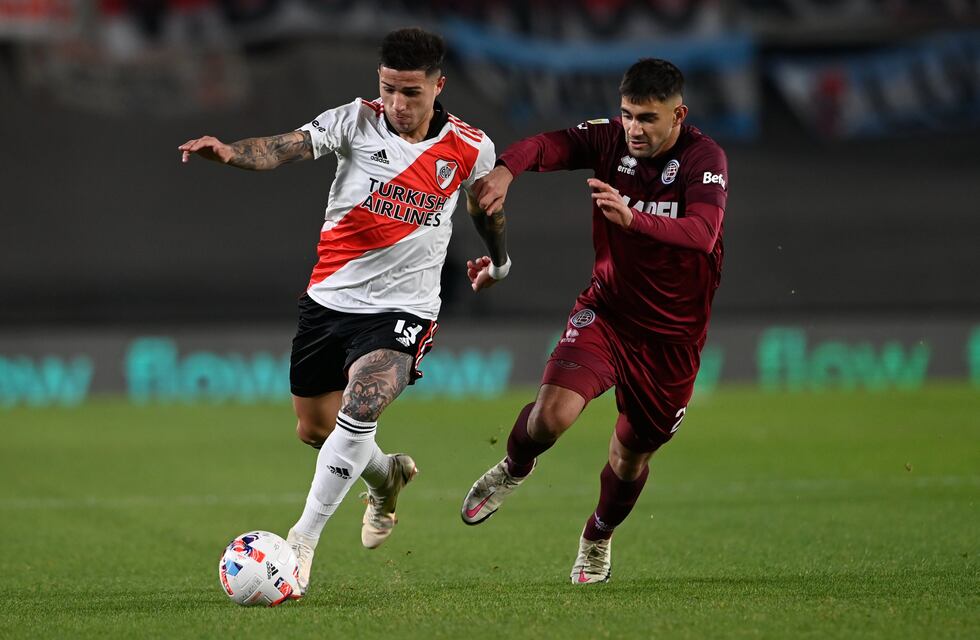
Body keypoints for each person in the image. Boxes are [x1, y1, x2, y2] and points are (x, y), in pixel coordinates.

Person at [179, 27, 510, 596]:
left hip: (405, 309)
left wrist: (499, 261)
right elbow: (283, 147)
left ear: (438, 86)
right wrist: (231, 153)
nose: (397, 104)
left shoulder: (471, 147)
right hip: (329, 301)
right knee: (316, 429)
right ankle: (385, 476)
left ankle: (301, 543)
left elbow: (486, 208)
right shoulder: (353, 121)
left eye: (411, 92)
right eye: (388, 89)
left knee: (361, 406)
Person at [460, 58, 728, 584]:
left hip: (672, 340)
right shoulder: (610, 141)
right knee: (549, 417)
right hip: (607, 312)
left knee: (629, 458)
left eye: (647, 118)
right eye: (627, 114)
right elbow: (548, 145)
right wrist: (506, 171)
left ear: (678, 116)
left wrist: (634, 219)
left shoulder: (704, 158)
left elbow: (703, 233)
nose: (634, 128)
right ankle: (514, 467)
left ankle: (598, 535)